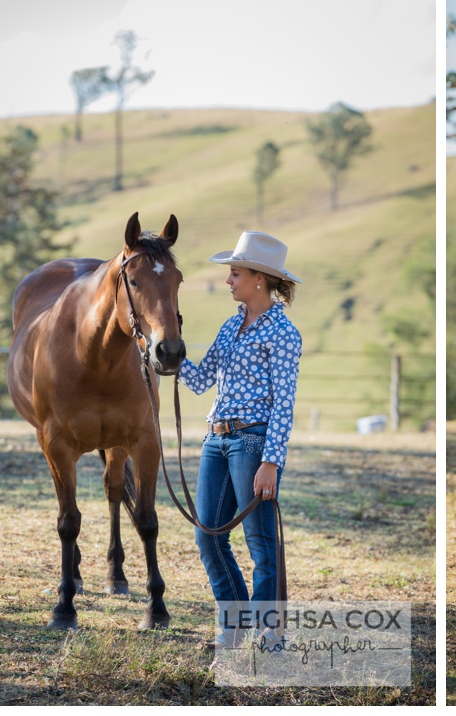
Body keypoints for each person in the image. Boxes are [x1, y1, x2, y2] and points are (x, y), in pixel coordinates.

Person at [178, 231, 302, 647]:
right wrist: (166, 353)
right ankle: (235, 622)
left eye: (235, 273)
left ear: (259, 279)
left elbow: (284, 402)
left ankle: (270, 634)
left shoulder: (283, 334)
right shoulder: (231, 325)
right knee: (208, 535)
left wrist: (272, 461)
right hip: (215, 440)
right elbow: (198, 381)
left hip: (253, 442)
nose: (228, 281)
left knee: (261, 541)